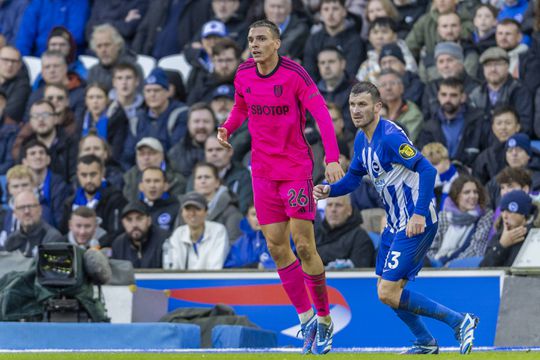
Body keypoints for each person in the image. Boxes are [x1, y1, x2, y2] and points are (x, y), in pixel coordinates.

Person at [313, 81, 478, 355]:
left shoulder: (389, 136)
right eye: (353, 105)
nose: (356, 110)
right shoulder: (361, 138)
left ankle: (460, 321)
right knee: (387, 292)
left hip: (415, 220)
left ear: (378, 107)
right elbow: (354, 178)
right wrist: (330, 190)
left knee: (387, 292)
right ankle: (425, 342)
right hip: (395, 221)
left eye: (363, 104)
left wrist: (418, 214)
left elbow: (427, 170)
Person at [218, 19, 344, 355]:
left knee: (304, 247)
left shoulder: (294, 75)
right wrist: (228, 128)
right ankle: (306, 320)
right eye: (250, 39)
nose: (254, 44)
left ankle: (325, 317)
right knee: (275, 247)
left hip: (294, 171)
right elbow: (241, 106)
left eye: (261, 39)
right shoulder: (244, 73)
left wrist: (331, 158)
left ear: (277, 43)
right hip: (261, 173)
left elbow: (322, 115)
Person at [61, 154, 127, 247]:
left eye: (93, 174)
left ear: (102, 173)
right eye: (84, 175)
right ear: (77, 175)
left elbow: (117, 234)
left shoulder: (116, 199)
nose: (89, 180)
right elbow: (64, 233)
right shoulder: (69, 203)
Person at [427, 175, 494, 266]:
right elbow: (431, 247)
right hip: (438, 264)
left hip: (462, 267)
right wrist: (434, 264)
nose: (473, 196)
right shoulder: (444, 216)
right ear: (456, 196)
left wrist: (449, 266)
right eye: (467, 192)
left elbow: (476, 250)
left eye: (475, 192)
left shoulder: (485, 216)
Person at [164, 191, 229, 270]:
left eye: (197, 209)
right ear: (182, 213)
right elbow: (173, 269)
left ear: (206, 212)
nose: (192, 213)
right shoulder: (178, 233)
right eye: (188, 209)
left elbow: (215, 268)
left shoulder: (218, 231)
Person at [315, 195, 375, 268]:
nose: (333, 209)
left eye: (338, 205)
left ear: (349, 210)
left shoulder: (360, 237)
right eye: (329, 205)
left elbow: (359, 274)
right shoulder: (315, 234)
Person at [21, 139, 70, 228]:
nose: (38, 156)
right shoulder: (19, 185)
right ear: (25, 162)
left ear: (48, 159)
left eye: (41, 153)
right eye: (32, 153)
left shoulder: (60, 185)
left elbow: (60, 220)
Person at [190, 162, 243, 241]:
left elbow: (234, 243)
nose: (203, 181)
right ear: (194, 184)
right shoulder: (186, 209)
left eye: (207, 177)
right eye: (199, 177)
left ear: (217, 183)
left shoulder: (231, 211)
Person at [481, 190, 535, 267]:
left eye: (510, 211)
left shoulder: (534, 236)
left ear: (523, 213)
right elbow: (484, 269)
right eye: (502, 211)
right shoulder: (499, 236)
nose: (505, 216)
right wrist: (501, 245)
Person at [123, 137, 186, 203]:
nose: (146, 158)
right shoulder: (130, 178)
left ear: (162, 156)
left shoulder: (176, 180)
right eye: (141, 154)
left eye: (151, 153)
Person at [4, 190, 65, 257]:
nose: (26, 211)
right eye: (21, 207)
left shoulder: (53, 238)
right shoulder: (11, 240)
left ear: (40, 210)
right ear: (15, 214)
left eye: (31, 206)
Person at [111, 201, 168, 269]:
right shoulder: (118, 244)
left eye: (139, 218)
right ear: (123, 223)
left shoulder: (164, 240)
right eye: (129, 220)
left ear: (149, 221)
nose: (134, 225)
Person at [87, 24, 142, 91]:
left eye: (107, 45)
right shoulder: (93, 72)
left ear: (118, 45)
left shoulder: (133, 68)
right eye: (99, 46)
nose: (103, 50)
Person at [224, 203, 275, 269]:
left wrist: (260, 266)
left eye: (262, 213)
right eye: (254, 215)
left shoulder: (282, 239)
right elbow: (229, 268)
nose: (258, 218)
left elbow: (288, 261)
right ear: (248, 218)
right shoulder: (239, 244)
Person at [138, 166, 179, 236]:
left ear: (166, 186)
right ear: (141, 186)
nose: (152, 185)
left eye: (156, 181)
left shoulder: (177, 208)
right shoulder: (135, 210)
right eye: (148, 181)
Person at [0, 45, 30, 123]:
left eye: (14, 61)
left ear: (20, 65)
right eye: (5, 60)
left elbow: (11, 113)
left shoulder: (23, 86)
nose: (10, 64)